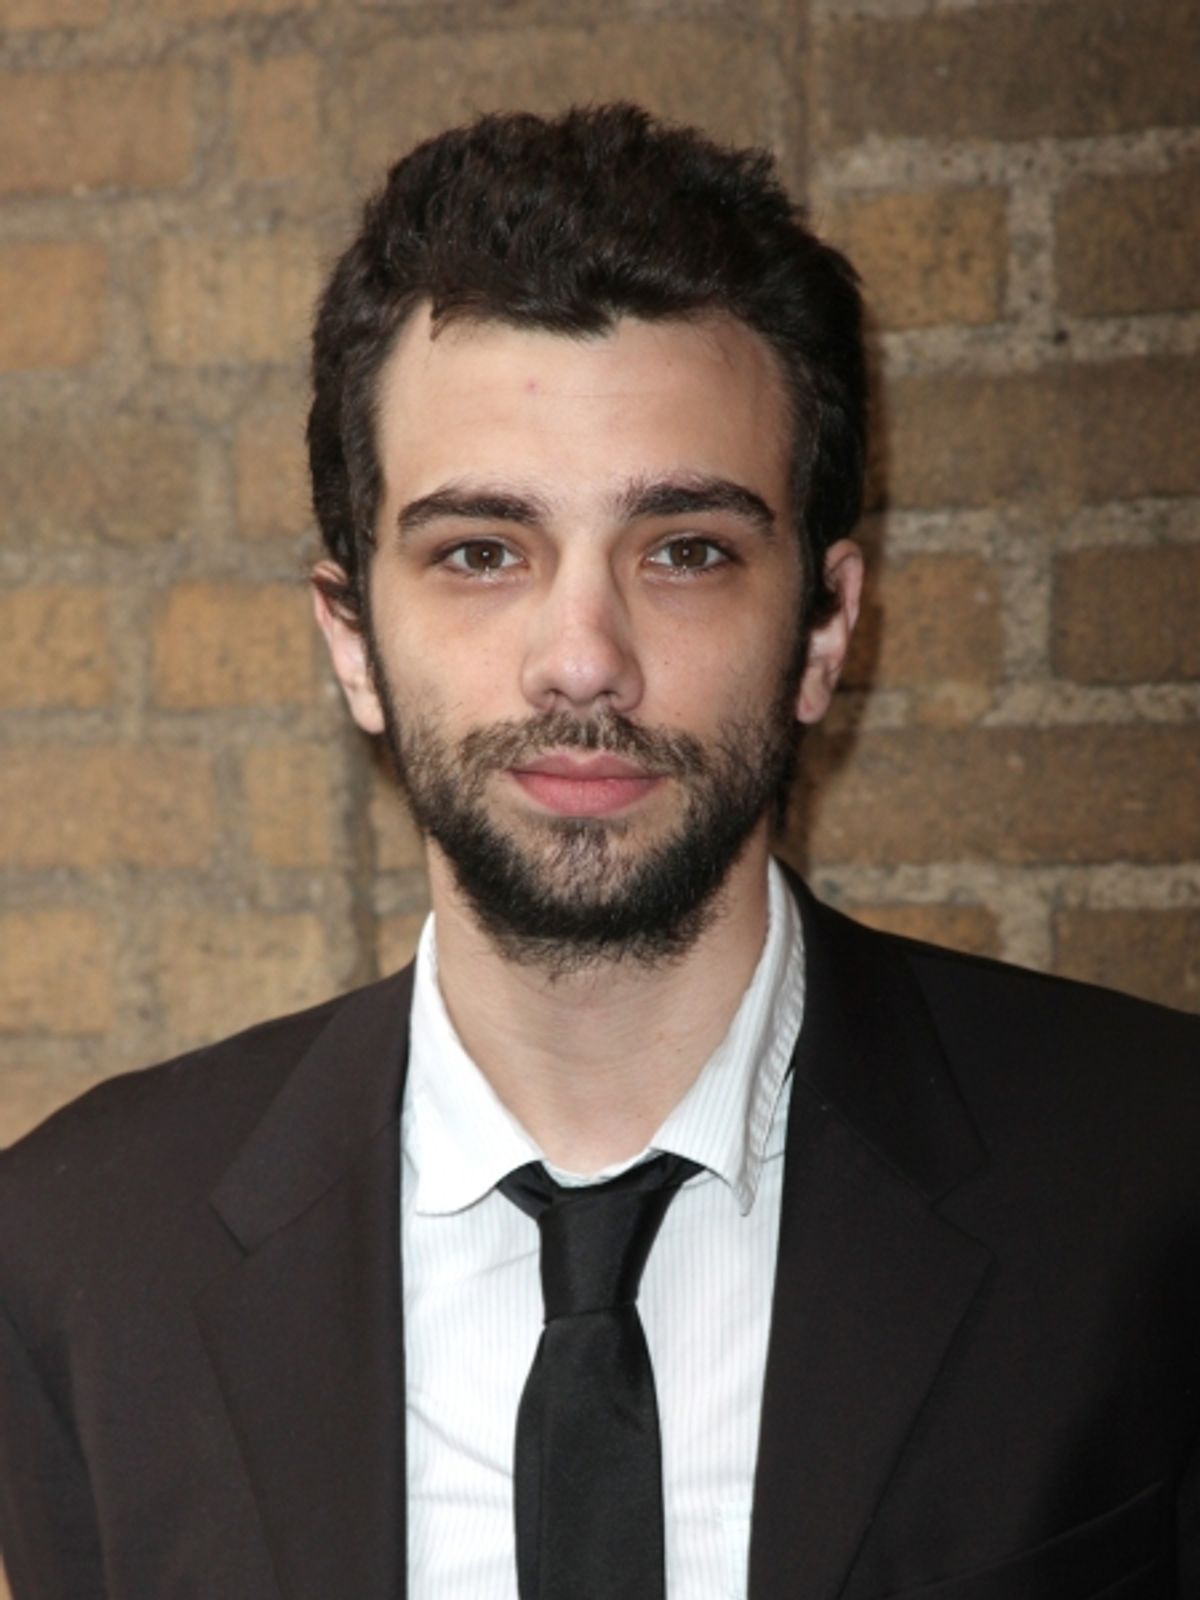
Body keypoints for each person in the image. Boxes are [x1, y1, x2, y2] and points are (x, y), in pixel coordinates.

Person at [0, 103, 1197, 1600]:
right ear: (351, 637)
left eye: (686, 549)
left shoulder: (1152, 1191)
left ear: (826, 628)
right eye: (480, 553)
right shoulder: (80, 1257)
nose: (583, 658)